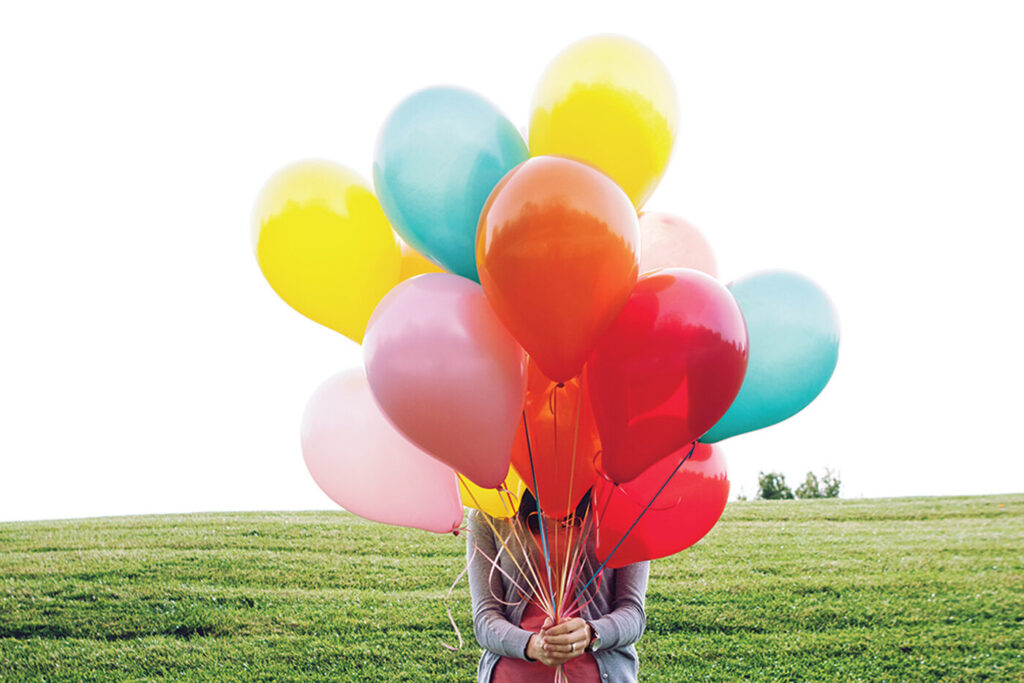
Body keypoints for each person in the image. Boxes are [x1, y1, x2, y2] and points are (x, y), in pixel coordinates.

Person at [467, 490, 650, 682]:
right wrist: (532, 646)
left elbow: (633, 614)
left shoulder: (623, 510)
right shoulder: (489, 512)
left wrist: (591, 633)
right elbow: (485, 620)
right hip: (512, 675)